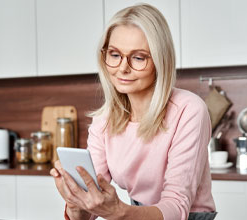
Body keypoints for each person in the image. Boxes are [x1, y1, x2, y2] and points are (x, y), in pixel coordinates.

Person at [50, 3, 217, 220]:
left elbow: (177, 207)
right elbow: (89, 212)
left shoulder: (189, 109)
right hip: (135, 213)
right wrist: (75, 203)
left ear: (160, 61)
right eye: (114, 54)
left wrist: (118, 212)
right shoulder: (105, 119)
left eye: (138, 57)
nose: (122, 67)